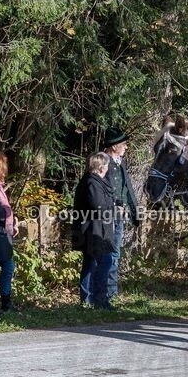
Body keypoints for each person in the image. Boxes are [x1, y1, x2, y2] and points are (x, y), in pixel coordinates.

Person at [73, 153, 117, 310]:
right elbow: (99, 207)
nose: (108, 168)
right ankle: (98, 300)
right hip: (93, 231)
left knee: (91, 264)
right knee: (104, 263)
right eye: (106, 165)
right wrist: (115, 209)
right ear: (101, 167)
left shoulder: (96, 182)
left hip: (96, 230)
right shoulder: (92, 183)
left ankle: (88, 300)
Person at [102, 127, 139, 306]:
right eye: (123, 144)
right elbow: (101, 189)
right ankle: (103, 293)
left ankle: (111, 293)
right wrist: (115, 206)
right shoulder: (101, 161)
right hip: (105, 215)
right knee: (106, 254)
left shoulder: (121, 162)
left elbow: (128, 188)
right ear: (114, 146)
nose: (126, 146)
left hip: (120, 215)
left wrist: (135, 212)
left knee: (115, 253)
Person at [0, 152, 18, 315]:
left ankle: (6, 302)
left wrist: (13, 220)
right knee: (8, 266)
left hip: (3, 233)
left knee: (8, 266)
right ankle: (5, 302)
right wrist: (8, 217)